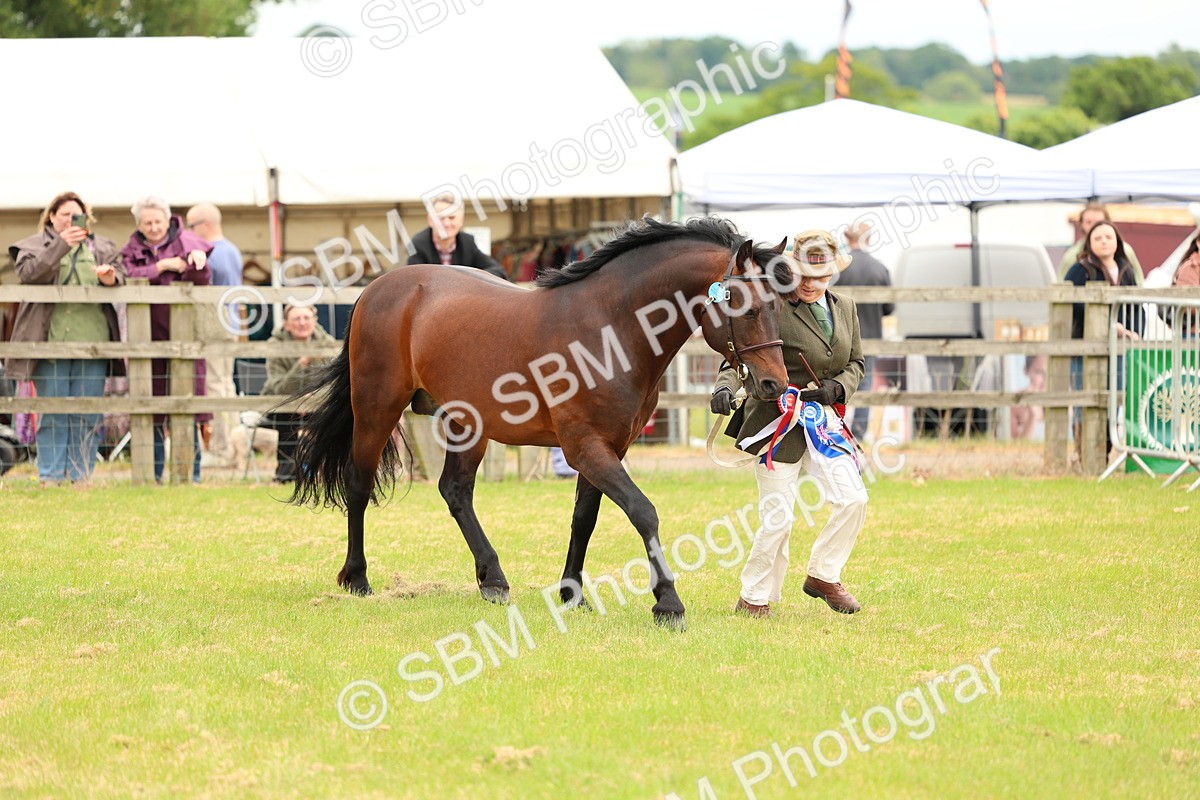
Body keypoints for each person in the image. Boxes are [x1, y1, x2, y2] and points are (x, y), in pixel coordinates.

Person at [711, 229, 868, 617]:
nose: (812, 284)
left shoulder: (846, 306)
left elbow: (857, 363)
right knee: (778, 518)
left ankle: (823, 575)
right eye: (805, 276)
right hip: (775, 421)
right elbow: (740, 352)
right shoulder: (773, 305)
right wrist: (724, 386)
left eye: (822, 276)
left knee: (854, 499)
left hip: (824, 423)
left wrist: (837, 387)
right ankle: (754, 597)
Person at [6, 192, 126, 485]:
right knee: (52, 412)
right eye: (65, 215)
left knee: (86, 413)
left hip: (93, 340)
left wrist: (110, 277)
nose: (72, 221)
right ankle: (49, 476)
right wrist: (62, 244)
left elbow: (122, 275)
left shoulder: (102, 247)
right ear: (51, 216)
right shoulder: (32, 245)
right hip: (49, 342)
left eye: (78, 215)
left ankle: (80, 475)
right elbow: (29, 274)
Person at [120, 196, 213, 484]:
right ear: (139, 225)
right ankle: (154, 474)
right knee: (153, 410)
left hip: (186, 336)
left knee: (189, 407)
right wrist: (161, 267)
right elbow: (126, 275)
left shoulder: (188, 241)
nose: (154, 227)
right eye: (147, 222)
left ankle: (190, 476)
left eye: (158, 221)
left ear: (168, 220)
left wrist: (196, 264)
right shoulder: (131, 249)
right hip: (146, 338)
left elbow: (203, 276)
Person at [1063, 221, 1144, 454]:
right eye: (1097, 238)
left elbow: (1136, 304)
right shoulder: (1080, 269)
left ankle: (1105, 449)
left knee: (1115, 396)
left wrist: (1135, 332)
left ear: (1117, 240)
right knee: (1084, 397)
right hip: (1085, 346)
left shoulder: (1127, 269)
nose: (1104, 242)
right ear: (1089, 243)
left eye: (1108, 236)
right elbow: (1072, 303)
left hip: (1119, 348)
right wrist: (1110, 325)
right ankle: (1084, 451)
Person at [186, 203, 244, 467]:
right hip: (229, 324)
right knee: (225, 384)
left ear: (205, 224)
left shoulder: (213, 253)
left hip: (214, 326)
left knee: (215, 386)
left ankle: (223, 448)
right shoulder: (232, 250)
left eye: (191, 226)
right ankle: (233, 445)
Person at [834, 221, 894, 440]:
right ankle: (858, 433)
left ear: (846, 239)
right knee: (865, 383)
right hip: (870, 336)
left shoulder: (839, 267)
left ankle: (834, 427)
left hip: (840, 336)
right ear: (869, 238)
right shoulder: (880, 268)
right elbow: (889, 307)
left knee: (838, 380)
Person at [262, 304, 334, 483]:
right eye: (296, 319)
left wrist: (313, 399)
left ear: (315, 322)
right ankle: (287, 473)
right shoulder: (275, 345)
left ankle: (326, 470)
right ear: (286, 324)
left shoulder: (328, 344)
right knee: (287, 417)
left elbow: (334, 382)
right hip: (283, 405)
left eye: (306, 318)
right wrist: (301, 363)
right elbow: (279, 387)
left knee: (335, 416)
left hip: (318, 404)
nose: (302, 323)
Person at [408, 194, 509, 280]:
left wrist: (472, 278)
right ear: (430, 220)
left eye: (451, 217)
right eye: (441, 218)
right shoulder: (418, 245)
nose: (446, 223)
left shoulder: (467, 242)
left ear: (461, 220)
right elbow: (412, 281)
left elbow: (498, 270)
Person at [1058, 203, 1143, 285]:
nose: (1094, 226)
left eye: (1099, 221)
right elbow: (1061, 286)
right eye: (1088, 222)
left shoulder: (1126, 252)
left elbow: (1139, 283)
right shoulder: (1073, 255)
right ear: (1081, 224)